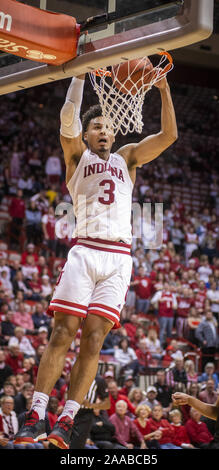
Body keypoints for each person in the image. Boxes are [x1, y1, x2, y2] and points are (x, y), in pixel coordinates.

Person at [14, 68, 177, 449]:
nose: (103, 131)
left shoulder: (129, 159)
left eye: (107, 126)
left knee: (93, 341)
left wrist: (164, 88)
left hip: (119, 258)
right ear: (87, 135)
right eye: (96, 127)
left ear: (114, 133)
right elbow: (66, 118)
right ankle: (35, 415)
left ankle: (66, 420)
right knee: (62, 332)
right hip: (85, 250)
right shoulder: (76, 156)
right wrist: (78, 76)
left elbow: (169, 136)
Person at [69, 374, 110, 449]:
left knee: (76, 445)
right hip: (70, 411)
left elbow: (107, 404)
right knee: (57, 443)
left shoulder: (99, 380)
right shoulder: (75, 372)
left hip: (85, 415)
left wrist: (90, 405)